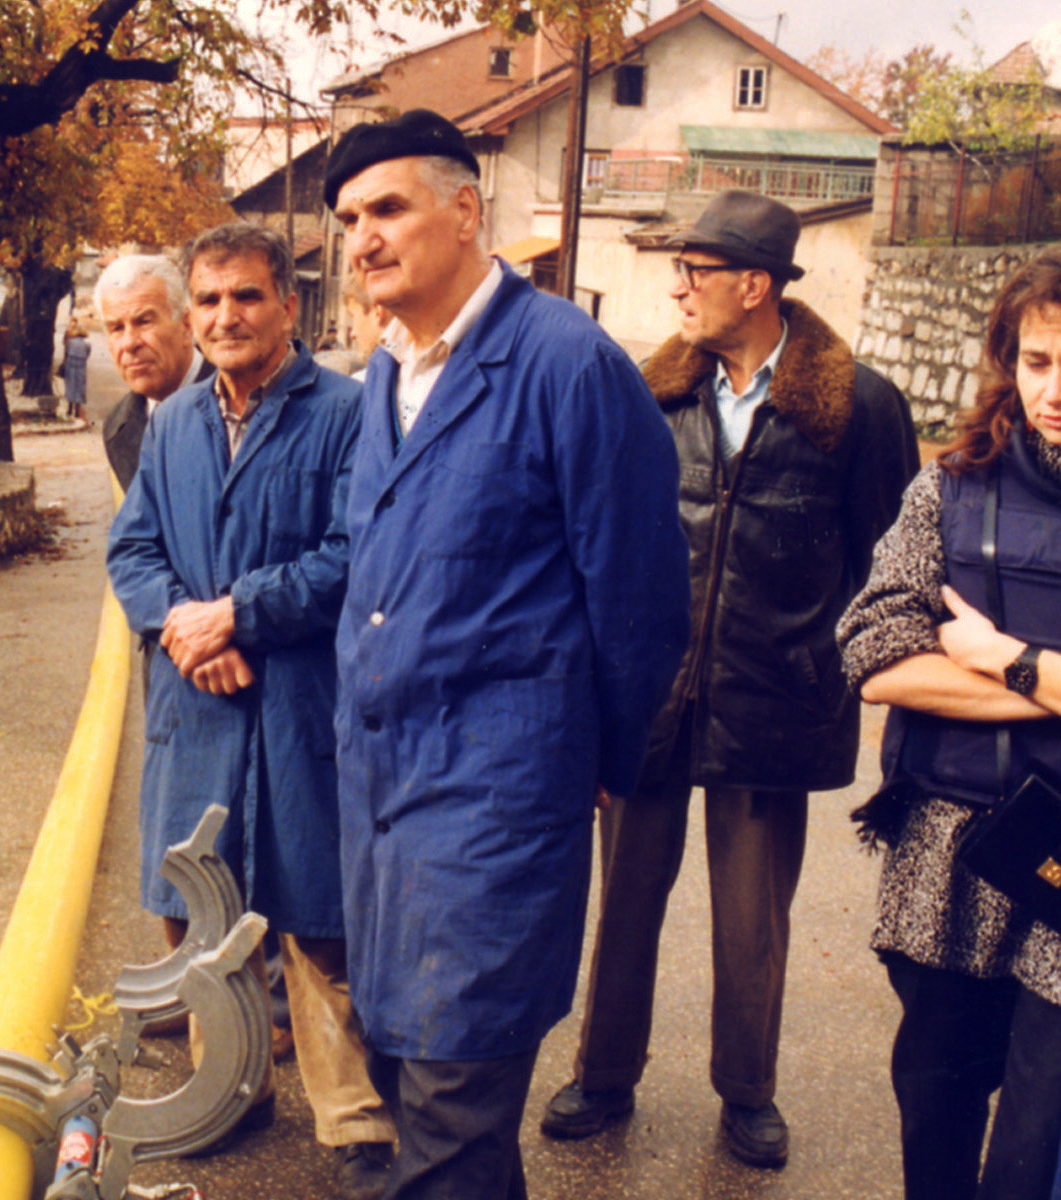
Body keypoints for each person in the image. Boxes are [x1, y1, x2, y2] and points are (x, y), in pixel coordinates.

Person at [326, 109, 690, 1200]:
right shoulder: (385, 378)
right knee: (402, 1072)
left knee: (452, 1109)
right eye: (349, 217)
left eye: (387, 208)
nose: (363, 238)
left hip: (493, 809)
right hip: (384, 808)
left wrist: (574, 765)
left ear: (465, 209)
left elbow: (641, 608)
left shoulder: (569, 367)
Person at [540, 190, 919, 1167]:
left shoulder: (861, 406)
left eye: (695, 273)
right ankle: (603, 1074)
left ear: (754, 287)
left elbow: (892, 563)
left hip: (779, 695)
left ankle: (748, 1092)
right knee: (623, 897)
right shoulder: (647, 392)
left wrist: (845, 674)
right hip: (651, 691)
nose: (677, 289)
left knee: (755, 918)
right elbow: (603, 544)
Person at [107, 223, 395, 1200]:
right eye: (210, 301)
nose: (225, 317)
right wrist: (184, 626)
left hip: (302, 707)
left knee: (320, 927)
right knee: (203, 917)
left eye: (246, 298)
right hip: (199, 711)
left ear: (288, 307)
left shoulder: (352, 414)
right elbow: (132, 553)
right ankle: (228, 1092)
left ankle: (355, 1125)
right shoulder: (174, 422)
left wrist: (240, 615)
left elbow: (359, 555)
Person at [836, 246, 1061, 1200]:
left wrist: (1004, 658)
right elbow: (876, 655)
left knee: (1035, 1143)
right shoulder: (950, 488)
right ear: (1009, 361)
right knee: (933, 1119)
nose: (1056, 388)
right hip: (951, 852)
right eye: (1040, 360)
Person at [96, 254, 207, 494]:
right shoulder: (118, 428)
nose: (129, 343)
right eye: (116, 328)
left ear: (186, 325)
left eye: (144, 321)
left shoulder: (241, 403)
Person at [62, 317, 91, 420]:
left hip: (70, 363)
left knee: (70, 385)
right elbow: (87, 355)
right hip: (81, 365)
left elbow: (66, 352)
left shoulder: (70, 342)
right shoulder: (87, 344)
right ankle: (77, 411)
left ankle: (69, 408)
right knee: (79, 386)